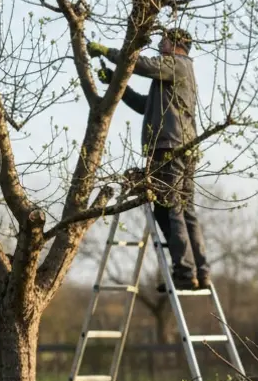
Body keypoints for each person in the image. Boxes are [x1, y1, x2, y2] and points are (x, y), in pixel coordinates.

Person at [88, 29, 211, 291]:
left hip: (168, 147)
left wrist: (109, 53)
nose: (159, 44)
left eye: (163, 41)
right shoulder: (176, 73)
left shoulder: (177, 64)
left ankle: (185, 271)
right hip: (182, 147)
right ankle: (199, 271)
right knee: (184, 210)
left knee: (171, 209)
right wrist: (114, 83)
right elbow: (146, 105)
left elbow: (140, 64)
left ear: (177, 44)